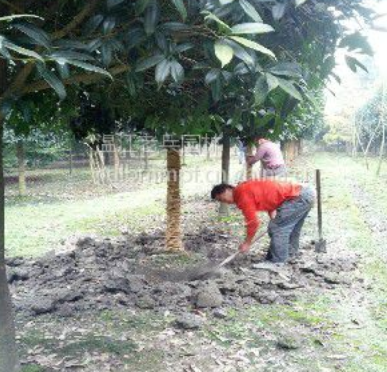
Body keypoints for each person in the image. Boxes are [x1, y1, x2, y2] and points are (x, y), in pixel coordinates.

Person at [211, 179, 315, 264]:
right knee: (290, 228)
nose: (224, 202)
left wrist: (247, 243)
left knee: (277, 229)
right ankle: (290, 254)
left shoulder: (241, 194)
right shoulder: (244, 188)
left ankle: (278, 262)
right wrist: (271, 214)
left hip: (297, 196)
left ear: (226, 190)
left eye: (221, 198)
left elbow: (253, 223)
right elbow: (266, 197)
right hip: (304, 192)